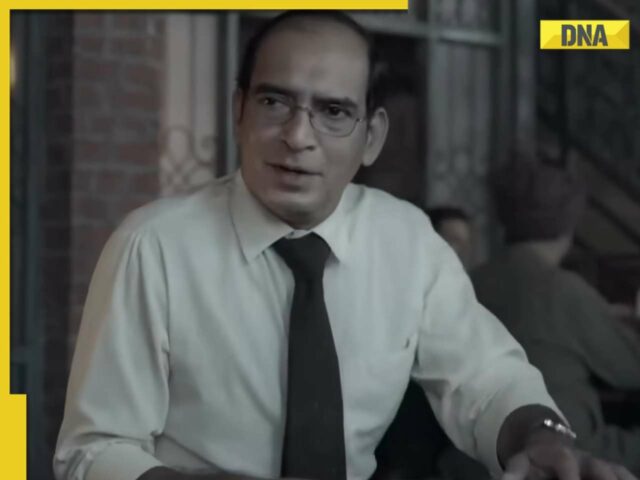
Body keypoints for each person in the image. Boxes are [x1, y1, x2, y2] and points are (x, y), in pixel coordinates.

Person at [54, 11, 636, 480]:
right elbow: (93, 450)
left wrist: (539, 436)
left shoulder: (407, 242)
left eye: (333, 112)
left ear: (372, 137)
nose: (297, 136)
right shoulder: (152, 247)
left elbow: (487, 380)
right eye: (273, 102)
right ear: (238, 111)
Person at [471, 159, 640, 477]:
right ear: (569, 226)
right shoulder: (563, 288)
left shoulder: (470, 281)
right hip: (563, 454)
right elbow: (630, 369)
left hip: (471, 457)